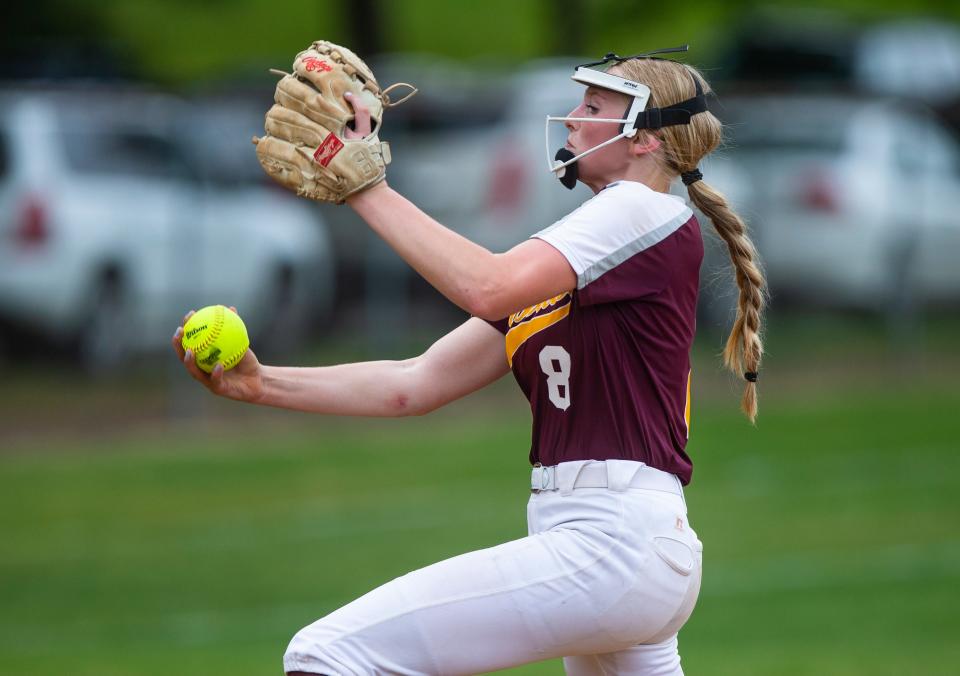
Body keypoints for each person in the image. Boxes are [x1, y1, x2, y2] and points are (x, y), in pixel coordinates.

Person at [173, 47, 765, 676]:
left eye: (592, 106)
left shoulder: (635, 210)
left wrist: (367, 187)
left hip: (611, 540)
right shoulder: (594, 245)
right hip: (627, 551)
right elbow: (414, 383)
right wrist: (261, 385)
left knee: (325, 655)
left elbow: (484, 285)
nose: (570, 118)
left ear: (645, 138)